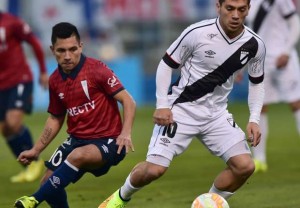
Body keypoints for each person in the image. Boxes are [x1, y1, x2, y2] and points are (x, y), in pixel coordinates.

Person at [98, 0, 265, 207]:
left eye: (241, 9)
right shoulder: (197, 33)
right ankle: (119, 198)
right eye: (229, 8)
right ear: (218, 7)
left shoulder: (255, 45)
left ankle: (207, 203)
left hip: (217, 114)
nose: (235, 15)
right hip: (181, 110)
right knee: (154, 170)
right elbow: (166, 65)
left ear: (248, 9)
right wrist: (162, 105)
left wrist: (254, 119)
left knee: (245, 166)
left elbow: (257, 83)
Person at [13, 22, 136, 208]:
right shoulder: (55, 80)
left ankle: (33, 200)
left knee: (77, 156)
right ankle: (42, 195)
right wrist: (36, 150)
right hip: (77, 140)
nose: (68, 56)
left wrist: (125, 133)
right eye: (61, 51)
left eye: (72, 49)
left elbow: (128, 101)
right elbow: (55, 118)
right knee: (48, 183)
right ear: (52, 49)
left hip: (108, 141)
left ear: (81, 46)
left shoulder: (97, 70)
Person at [246, 0, 300, 173]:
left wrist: (286, 50)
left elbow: (295, 24)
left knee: (296, 104)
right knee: (259, 107)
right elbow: (247, 34)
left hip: (284, 59)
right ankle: (259, 160)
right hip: (260, 60)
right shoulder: (246, 3)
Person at [0, 11, 48, 183]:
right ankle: (28, 166)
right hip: (1, 85)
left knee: (13, 122)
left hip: (19, 79)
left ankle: (35, 161)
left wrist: (43, 71)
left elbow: (34, 43)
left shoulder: (12, 22)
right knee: (5, 129)